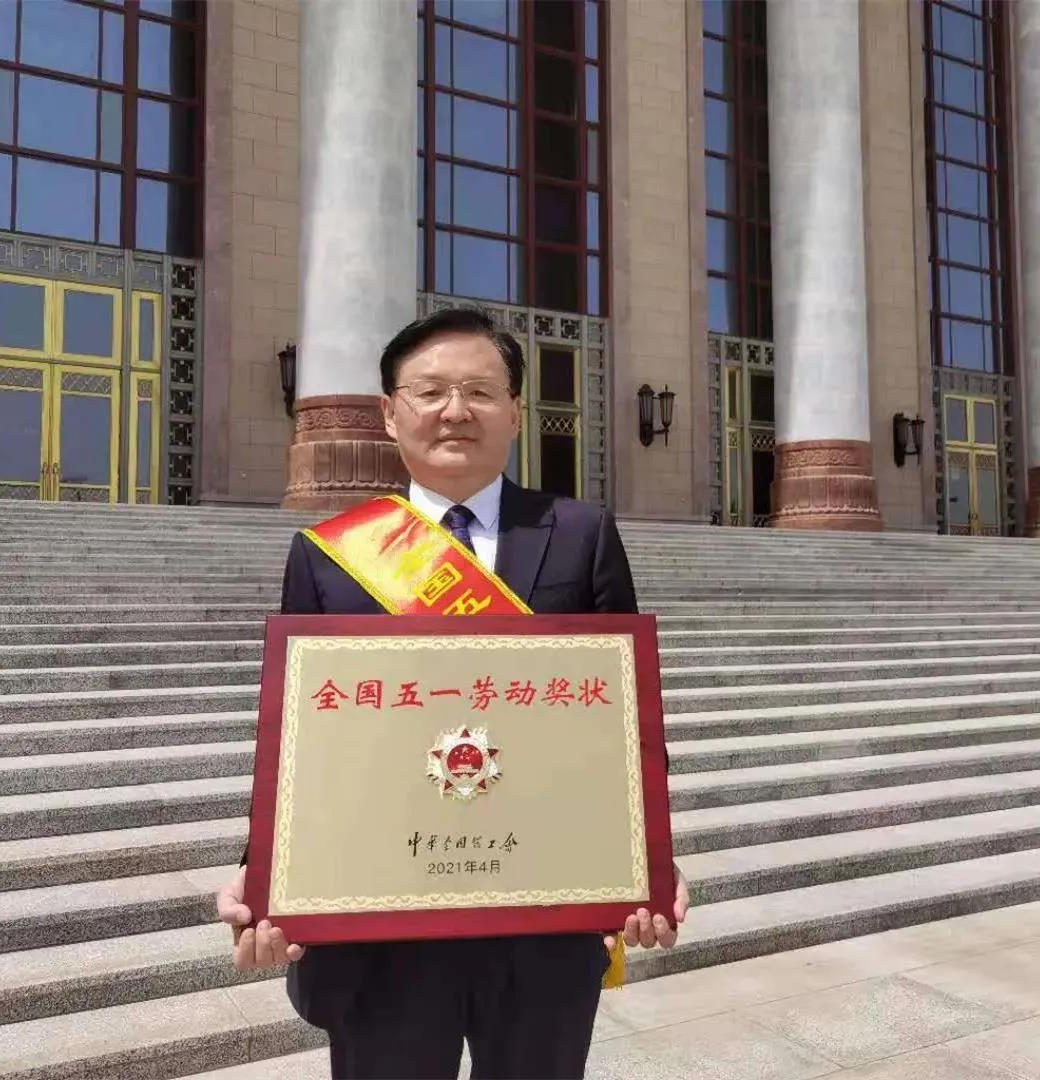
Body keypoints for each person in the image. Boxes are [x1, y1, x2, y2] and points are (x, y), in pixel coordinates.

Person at [216, 306, 690, 1079]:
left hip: (541, 915)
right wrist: (263, 872)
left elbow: (627, 722)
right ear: (389, 412)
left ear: (515, 412)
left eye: (480, 391)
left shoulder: (581, 534)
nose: (455, 411)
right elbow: (304, 740)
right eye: (431, 391)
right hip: (383, 925)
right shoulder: (331, 555)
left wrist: (650, 861)